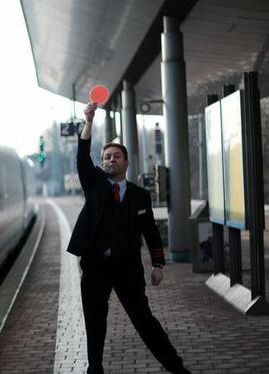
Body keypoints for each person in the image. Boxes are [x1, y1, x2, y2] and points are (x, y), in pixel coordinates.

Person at [67, 102, 189, 374]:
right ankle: (94, 370)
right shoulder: (95, 184)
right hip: (96, 266)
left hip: (127, 267)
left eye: (116, 156)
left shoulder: (139, 195)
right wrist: (88, 121)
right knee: (95, 323)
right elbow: (82, 157)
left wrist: (158, 265)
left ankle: (177, 368)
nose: (111, 159)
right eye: (107, 157)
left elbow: (151, 233)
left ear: (126, 162)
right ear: (102, 163)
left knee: (144, 321)